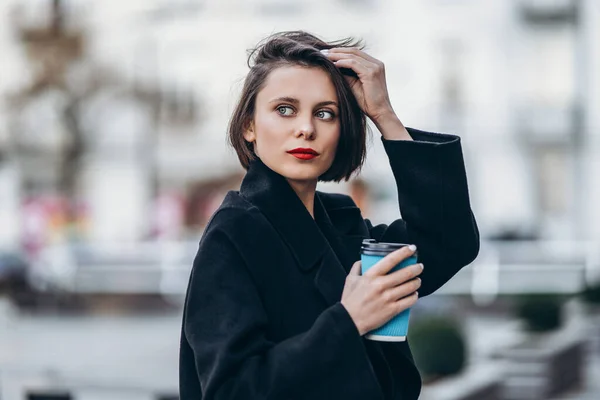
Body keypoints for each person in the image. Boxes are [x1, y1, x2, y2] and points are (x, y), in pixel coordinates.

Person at [178, 31, 480, 400]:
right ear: (249, 126)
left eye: (325, 113)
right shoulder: (235, 233)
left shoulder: (340, 224)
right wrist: (349, 320)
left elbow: (449, 243)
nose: (306, 128)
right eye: (284, 109)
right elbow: (232, 390)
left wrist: (384, 115)